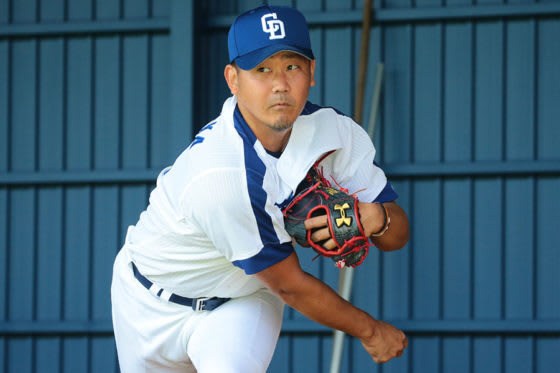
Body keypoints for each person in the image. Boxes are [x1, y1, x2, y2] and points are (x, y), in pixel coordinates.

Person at [111, 4, 409, 372]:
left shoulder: (333, 133)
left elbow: (398, 232)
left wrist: (377, 218)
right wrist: (372, 331)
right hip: (147, 303)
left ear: (312, 72)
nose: (280, 84)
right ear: (233, 80)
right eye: (262, 69)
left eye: (292, 66)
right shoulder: (222, 173)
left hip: (240, 300)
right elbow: (291, 286)